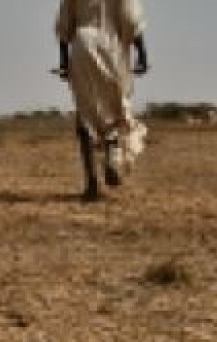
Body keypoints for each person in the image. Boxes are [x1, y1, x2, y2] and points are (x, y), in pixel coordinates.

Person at [56, 0, 150, 201]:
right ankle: (112, 159)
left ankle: (91, 184)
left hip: (82, 45)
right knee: (117, 110)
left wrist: (64, 59)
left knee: (85, 114)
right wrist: (142, 53)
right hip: (111, 46)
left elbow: (65, 21)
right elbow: (130, 18)